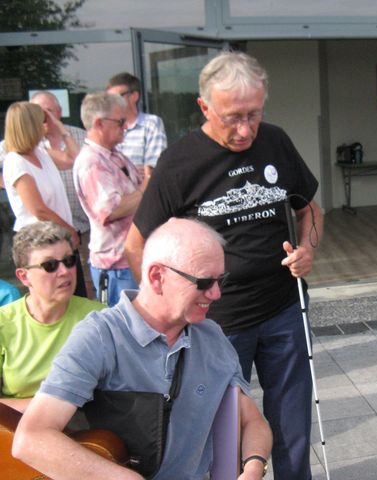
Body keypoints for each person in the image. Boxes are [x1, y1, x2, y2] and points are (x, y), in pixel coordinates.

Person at [124, 51, 323, 479]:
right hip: (216, 322)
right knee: (222, 431)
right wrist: (171, 310)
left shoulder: (276, 141)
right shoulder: (179, 163)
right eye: (233, 117)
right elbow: (137, 247)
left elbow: (308, 208)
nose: (246, 129)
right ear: (204, 107)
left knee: (292, 427)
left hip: (284, 307)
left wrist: (307, 248)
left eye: (254, 114)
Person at [13, 217, 272, 480]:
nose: (216, 294)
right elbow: (31, 439)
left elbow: (251, 420)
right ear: (157, 277)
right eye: (204, 283)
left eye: (221, 280)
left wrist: (253, 466)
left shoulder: (211, 336)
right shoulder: (100, 336)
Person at [0, 221, 103, 413]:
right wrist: (50, 408)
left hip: (90, 433)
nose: (64, 272)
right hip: (16, 430)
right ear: (24, 276)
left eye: (69, 261)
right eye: (50, 265)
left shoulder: (100, 318)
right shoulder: (4, 323)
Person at [2, 102, 86, 298]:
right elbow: (38, 209)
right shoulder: (16, 161)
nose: (46, 125)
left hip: (58, 237)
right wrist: (70, 230)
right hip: (40, 243)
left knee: (76, 294)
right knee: (55, 297)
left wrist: (60, 128)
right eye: (42, 122)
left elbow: (75, 158)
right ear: (31, 125)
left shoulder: (41, 153)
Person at [73, 92, 146, 306]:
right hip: (116, 267)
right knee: (125, 331)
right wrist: (147, 186)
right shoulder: (92, 162)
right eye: (121, 121)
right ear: (99, 123)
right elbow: (111, 210)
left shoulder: (113, 155)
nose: (125, 127)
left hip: (129, 260)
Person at [29, 91, 94, 297]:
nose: (44, 117)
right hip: (48, 232)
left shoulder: (79, 136)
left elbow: (79, 161)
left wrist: (60, 129)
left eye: (48, 111)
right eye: (37, 112)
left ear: (59, 112)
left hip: (83, 225)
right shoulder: (29, 145)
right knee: (58, 284)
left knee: (87, 281)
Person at [106, 72, 167, 178]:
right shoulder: (107, 127)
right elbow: (102, 168)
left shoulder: (151, 124)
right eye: (108, 99)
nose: (112, 102)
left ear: (134, 96)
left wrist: (117, 172)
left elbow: (153, 170)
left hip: (143, 193)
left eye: (116, 97)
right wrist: (132, 171)